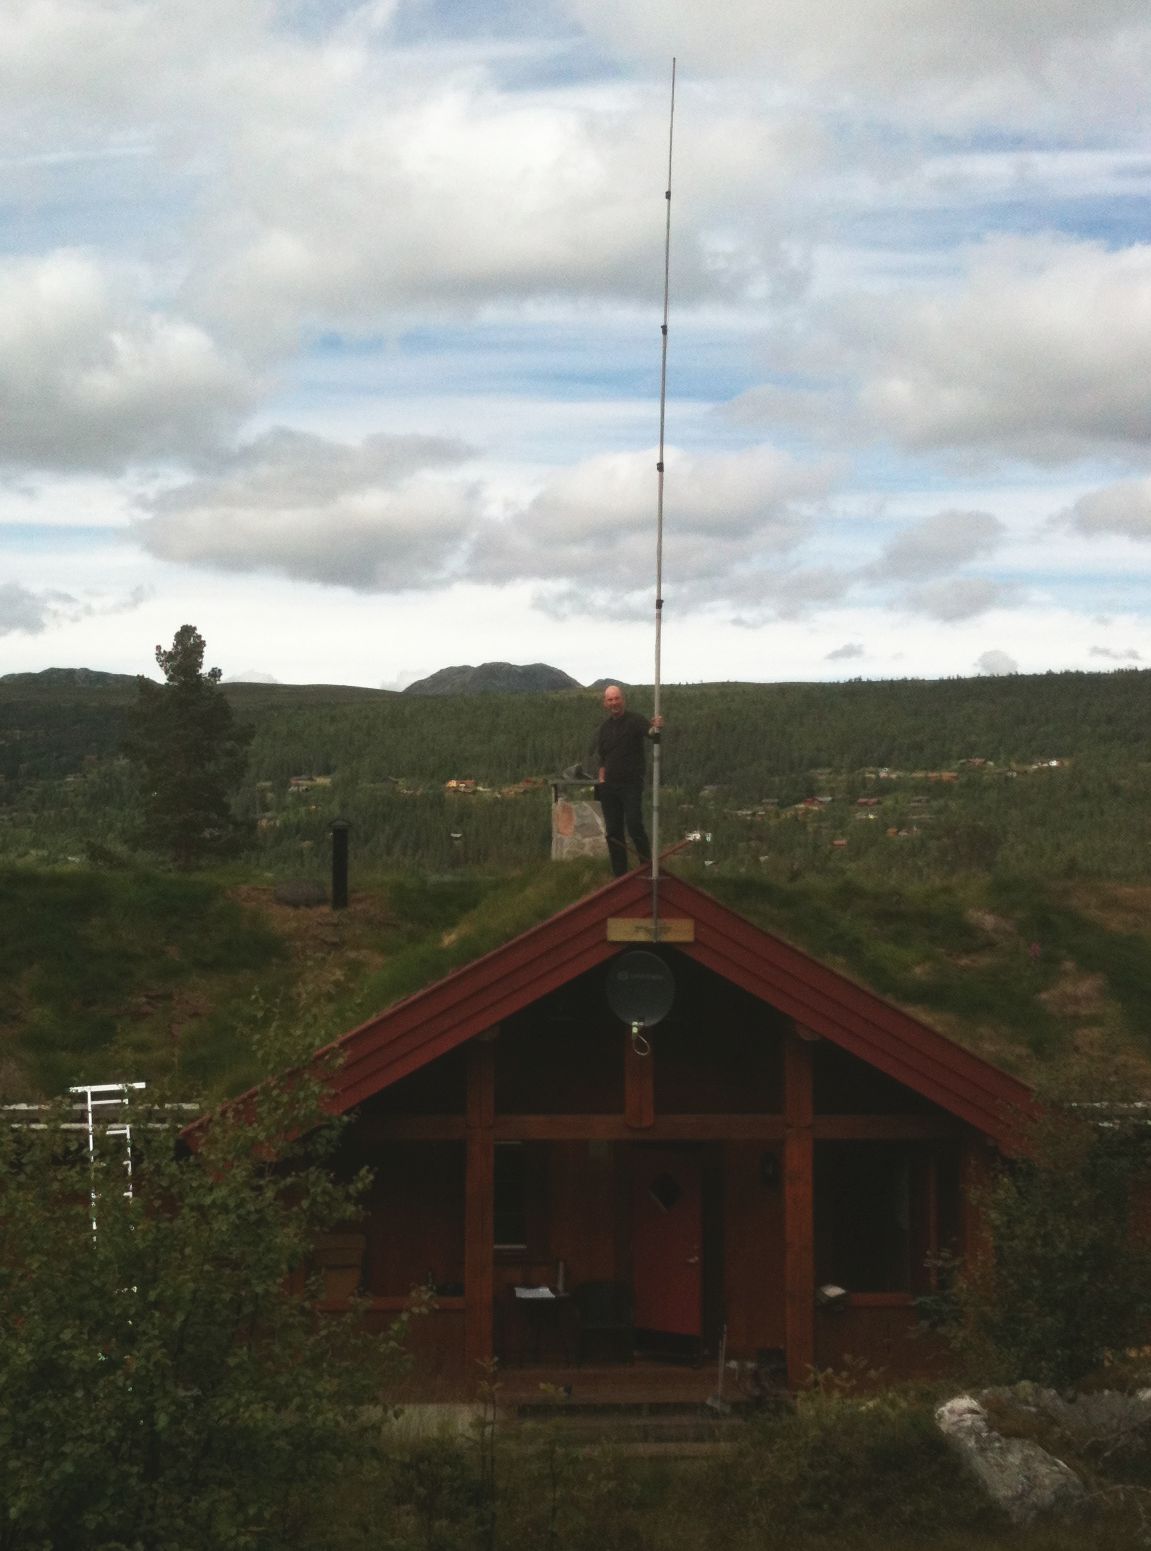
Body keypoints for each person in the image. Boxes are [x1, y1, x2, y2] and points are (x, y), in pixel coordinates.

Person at [593, 684, 663, 877]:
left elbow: (651, 733)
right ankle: (620, 875)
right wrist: (602, 777)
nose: (614, 703)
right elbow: (603, 756)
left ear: (622, 700)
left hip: (631, 784)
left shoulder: (635, 720)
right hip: (609, 787)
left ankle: (647, 869)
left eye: (616, 698)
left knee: (634, 825)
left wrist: (656, 727)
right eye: (610, 700)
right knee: (613, 832)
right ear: (605, 703)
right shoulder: (605, 728)